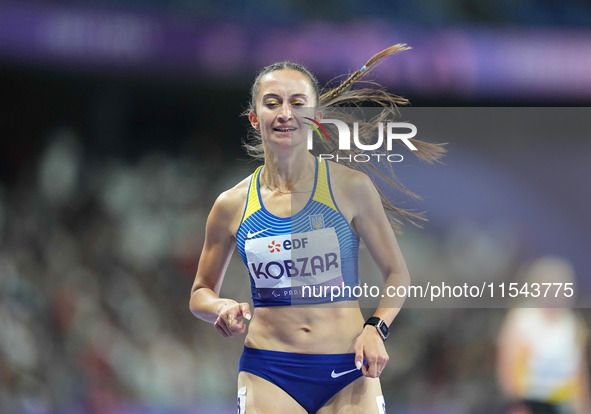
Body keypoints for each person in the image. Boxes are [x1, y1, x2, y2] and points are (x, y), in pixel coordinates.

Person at [189, 44, 444, 414]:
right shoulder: (231, 204)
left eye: (297, 102)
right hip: (269, 372)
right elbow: (200, 292)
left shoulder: (350, 188)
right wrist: (220, 307)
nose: (285, 113)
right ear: (254, 118)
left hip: (348, 369)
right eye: (272, 103)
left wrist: (376, 328)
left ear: (316, 116)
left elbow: (397, 274)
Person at [496, 257, 591, 414]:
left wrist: (585, 407)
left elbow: (579, 373)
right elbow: (507, 367)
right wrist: (517, 402)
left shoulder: (572, 324)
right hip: (529, 401)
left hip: (563, 402)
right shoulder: (522, 320)